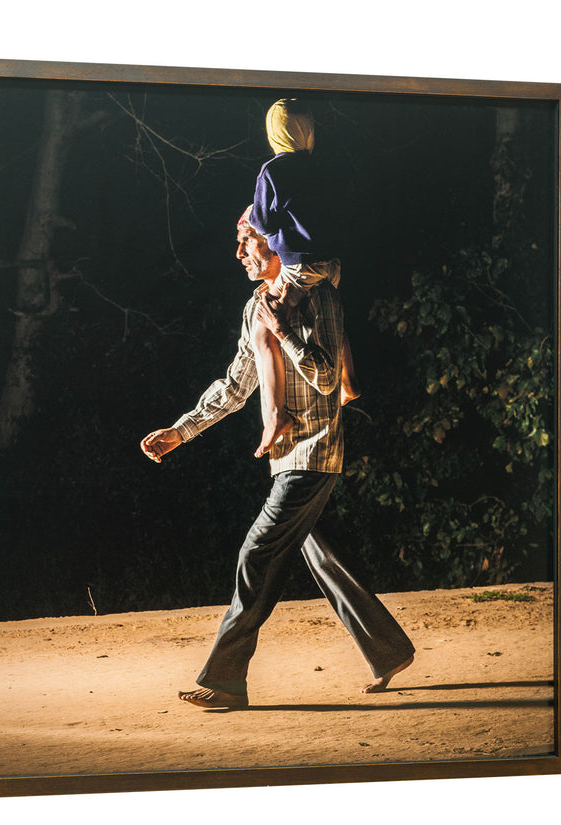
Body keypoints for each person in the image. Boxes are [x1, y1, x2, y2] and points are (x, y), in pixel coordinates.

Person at [139, 207, 414, 709]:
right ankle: (389, 649)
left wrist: (285, 330)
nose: (238, 252)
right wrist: (182, 432)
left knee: (256, 553)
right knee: (324, 556)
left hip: (314, 450)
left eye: (247, 241)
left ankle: (224, 680)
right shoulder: (253, 308)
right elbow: (236, 384)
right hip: (287, 455)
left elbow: (328, 380)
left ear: (276, 246)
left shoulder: (318, 296)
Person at [248, 98, 360, 459]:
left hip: (300, 265)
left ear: (274, 132)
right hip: (332, 262)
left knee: (264, 324)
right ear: (308, 131)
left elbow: (263, 224)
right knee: (332, 317)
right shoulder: (324, 166)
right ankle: (349, 381)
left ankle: (275, 416)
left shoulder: (274, 171)